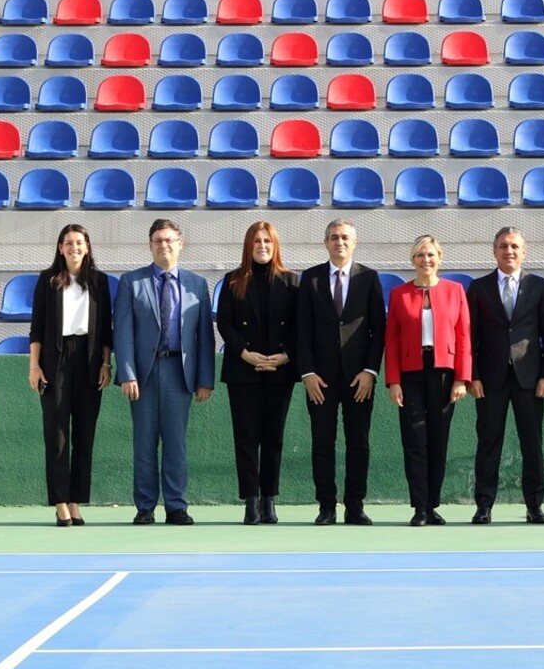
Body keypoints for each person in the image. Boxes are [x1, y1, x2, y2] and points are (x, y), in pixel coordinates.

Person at [113, 218, 214, 526]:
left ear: (180, 244)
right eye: (158, 240)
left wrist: (204, 379)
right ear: (150, 245)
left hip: (179, 372)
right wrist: (127, 372)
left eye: (169, 240)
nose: (164, 245)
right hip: (144, 372)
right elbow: (123, 331)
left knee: (175, 443)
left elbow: (205, 337)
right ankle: (145, 506)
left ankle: (176, 506)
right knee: (144, 443)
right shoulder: (131, 281)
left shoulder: (197, 284)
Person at [295, 219, 385, 526]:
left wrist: (370, 371)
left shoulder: (369, 278)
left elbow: (378, 329)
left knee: (358, 442)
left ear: (354, 242)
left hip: (358, 377)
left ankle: (355, 505)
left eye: (345, 237)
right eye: (334, 237)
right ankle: (326, 506)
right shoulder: (310, 279)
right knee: (323, 442)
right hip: (320, 378)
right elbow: (301, 330)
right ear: (326, 243)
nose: (340, 242)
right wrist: (306, 373)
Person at [468, 227, 544, 525]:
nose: (509, 251)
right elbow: (470, 337)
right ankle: (483, 505)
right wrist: (474, 376)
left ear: (524, 251)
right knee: (488, 442)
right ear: (494, 251)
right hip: (490, 379)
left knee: (532, 443)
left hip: (530, 378)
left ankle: (534, 505)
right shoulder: (478, 288)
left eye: (515, 246)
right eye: (503, 246)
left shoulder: (540, 286)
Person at [28, 224, 113, 527]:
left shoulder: (100, 282)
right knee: (58, 435)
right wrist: (34, 366)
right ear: (60, 248)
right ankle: (60, 502)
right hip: (55, 360)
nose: (74, 248)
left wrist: (106, 364)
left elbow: (105, 330)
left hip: (89, 362)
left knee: (85, 435)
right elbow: (36, 327)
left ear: (87, 247)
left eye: (79, 242)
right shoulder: (48, 281)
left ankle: (77, 501)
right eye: (68, 243)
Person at [217, 221, 300, 525]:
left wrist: (285, 356)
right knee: (246, 437)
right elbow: (224, 323)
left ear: (275, 245)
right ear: (248, 246)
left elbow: (299, 325)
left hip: (280, 369)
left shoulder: (292, 282)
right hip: (243, 370)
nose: (262, 247)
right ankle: (251, 500)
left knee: (273, 437)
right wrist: (244, 353)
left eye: (267, 241)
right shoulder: (232, 281)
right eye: (256, 242)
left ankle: (269, 499)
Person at [385, 235, 471, 527]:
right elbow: (392, 340)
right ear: (413, 260)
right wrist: (393, 381)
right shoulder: (399, 294)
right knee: (415, 440)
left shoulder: (455, 291)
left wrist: (462, 378)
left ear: (440, 258)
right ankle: (419, 507)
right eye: (420, 255)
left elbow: (463, 336)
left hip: (444, 372)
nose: (426, 260)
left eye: (431, 254)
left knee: (438, 440)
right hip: (410, 373)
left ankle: (432, 504)